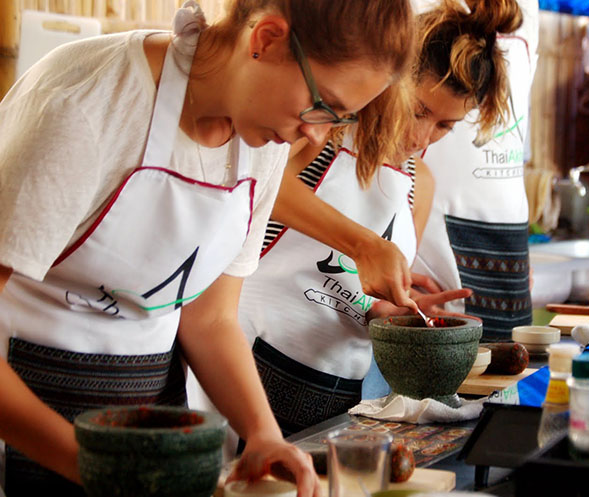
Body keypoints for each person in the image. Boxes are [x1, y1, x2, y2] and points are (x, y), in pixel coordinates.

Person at [0, 0, 414, 494]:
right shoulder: (90, 103)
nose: (315, 133)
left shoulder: (261, 144)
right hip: (29, 422)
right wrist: (93, 467)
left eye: (338, 119)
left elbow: (210, 317)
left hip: (157, 421)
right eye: (321, 105)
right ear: (264, 38)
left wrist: (263, 434)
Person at [234, 0, 523, 436]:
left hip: (336, 391)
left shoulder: (417, 183)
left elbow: (360, 295)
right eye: (420, 110)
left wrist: (396, 311)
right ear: (392, 80)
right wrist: (363, 244)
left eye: (445, 125)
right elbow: (259, 188)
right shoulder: (320, 129)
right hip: (250, 366)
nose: (423, 136)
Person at [413, 0, 540, 341]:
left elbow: (514, 130)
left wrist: (520, 239)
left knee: (508, 383)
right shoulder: (414, 8)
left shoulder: (526, 10)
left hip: (509, 244)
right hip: (430, 241)